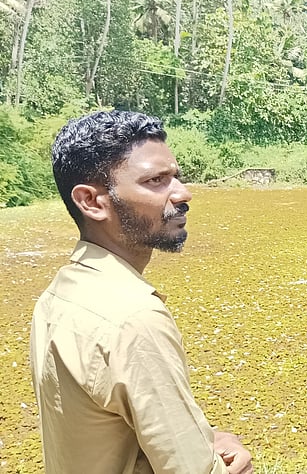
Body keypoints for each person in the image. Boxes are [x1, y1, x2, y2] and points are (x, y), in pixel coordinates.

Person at [30, 110, 253, 473]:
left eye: (175, 176)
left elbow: (103, 430)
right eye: (155, 180)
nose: (183, 193)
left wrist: (204, 439)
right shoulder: (133, 320)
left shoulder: (59, 295)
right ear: (91, 201)